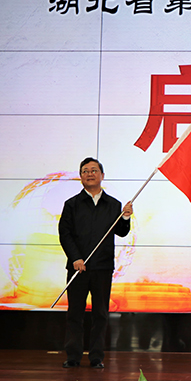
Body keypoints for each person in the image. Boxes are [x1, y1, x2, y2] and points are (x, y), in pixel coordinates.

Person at [59, 157, 133, 368]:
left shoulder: (113, 204)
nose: (89, 174)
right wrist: (75, 258)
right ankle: (73, 356)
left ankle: (96, 357)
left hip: (102, 267)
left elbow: (121, 232)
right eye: (85, 171)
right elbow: (65, 233)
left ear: (102, 175)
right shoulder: (72, 204)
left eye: (94, 170)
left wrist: (125, 217)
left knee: (100, 314)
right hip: (78, 268)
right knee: (75, 313)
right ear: (80, 176)